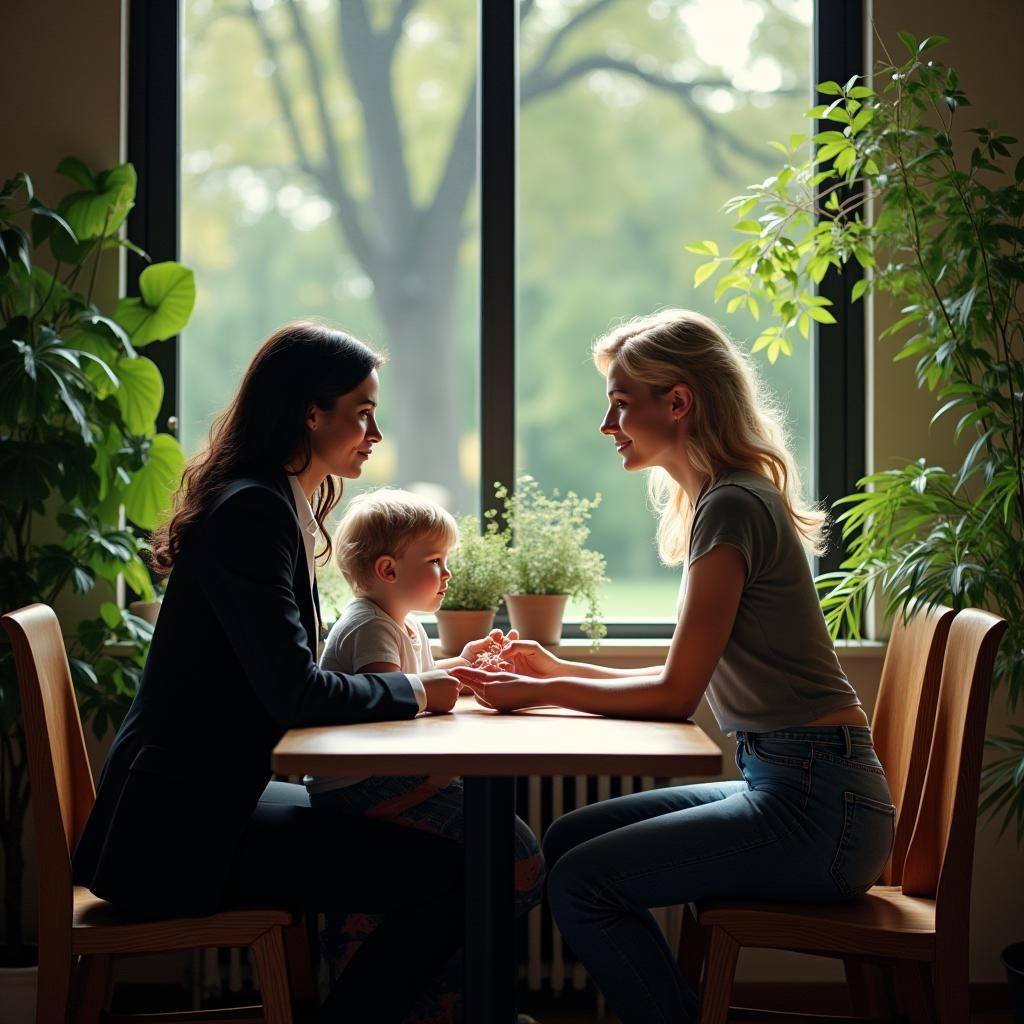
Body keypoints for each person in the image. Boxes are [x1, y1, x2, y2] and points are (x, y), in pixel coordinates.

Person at [453, 310, 895, 1024]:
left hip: (818, 809)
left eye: (621, 401)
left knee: (581, 884)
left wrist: (536, 688)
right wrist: (549, 666)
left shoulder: (732, 505)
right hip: (801, 785)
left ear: (679, 402)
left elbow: (673, 697)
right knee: (569, 842)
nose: (608, 423)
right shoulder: (726, 499)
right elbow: (676, 675)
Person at [73, 321, 466, 1024]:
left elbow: (282, 679)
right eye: (363, 412)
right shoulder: (253, 511)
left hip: (196, 805)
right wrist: (415, 691)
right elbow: (293, 692)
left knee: (446, 857)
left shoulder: (269, 501)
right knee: (463, 878)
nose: (374, 432)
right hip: (176, 836)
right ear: (310, 413)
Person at [306, 488, 545, 1022]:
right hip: (363, 785)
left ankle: (453, 1001)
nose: (447, 574)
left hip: (387, 780)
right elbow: (388, 712)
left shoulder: (404, 623)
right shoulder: (369, 626)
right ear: (388, 569)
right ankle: (462, 1003)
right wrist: (446, 684)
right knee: (516, 861)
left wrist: (462, 662)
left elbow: (416, 691)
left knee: (504, 861)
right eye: (435, 562)